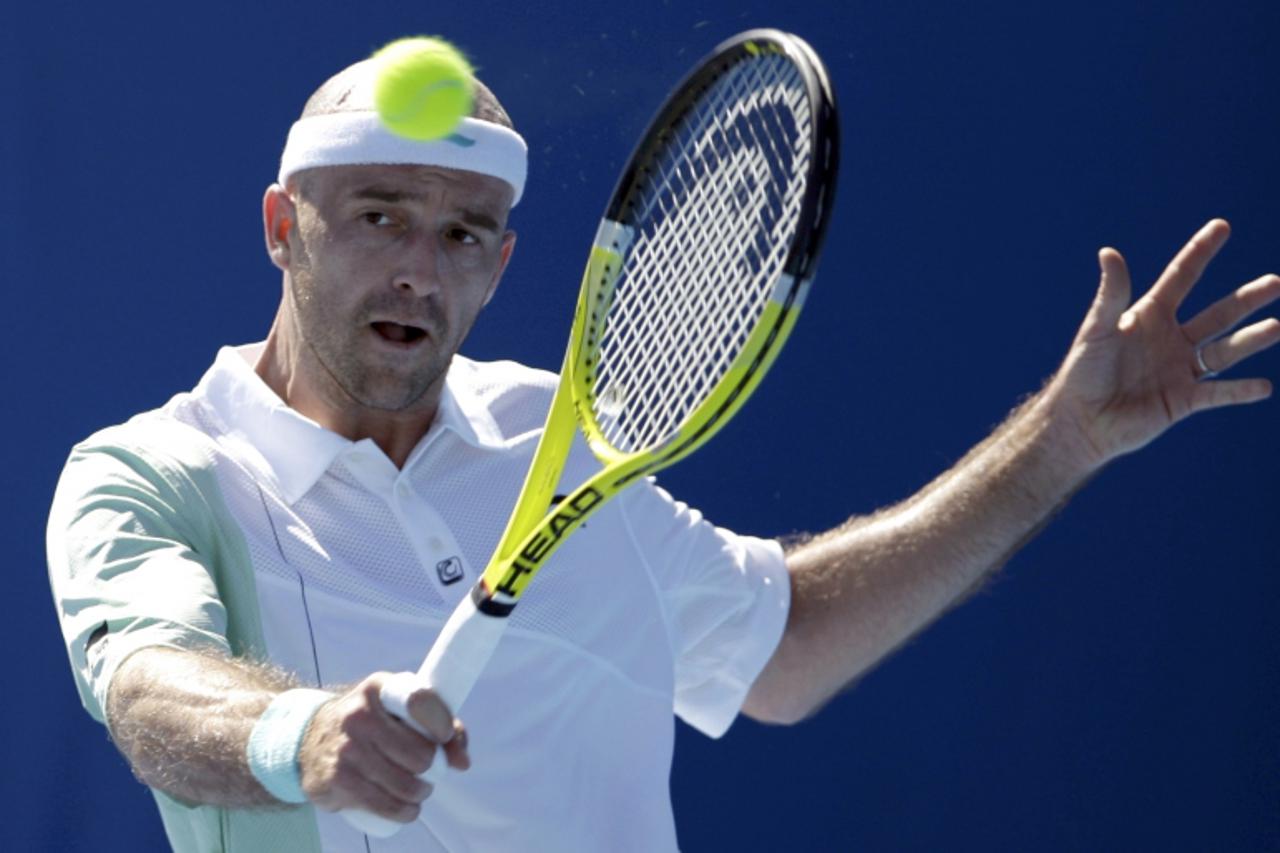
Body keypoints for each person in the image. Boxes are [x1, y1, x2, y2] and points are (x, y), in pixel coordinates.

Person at [46, 49, 1279, 853]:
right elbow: (151, 686)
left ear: (506, 263)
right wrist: (301, 735)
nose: (422, 266)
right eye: (379, 217)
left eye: (466, 233)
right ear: (283, 226)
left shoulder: (567, 434)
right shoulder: (157, 471)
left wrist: (1057, 442)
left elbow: (781, 646)